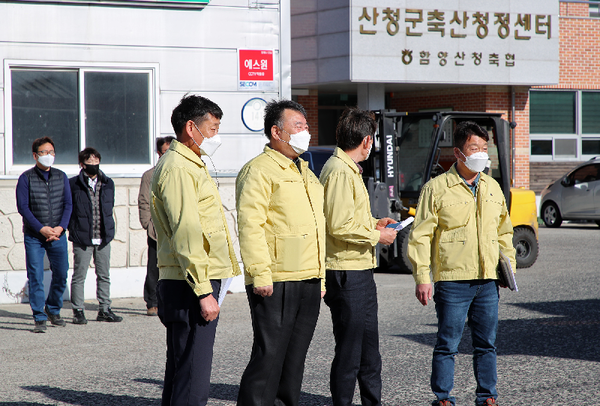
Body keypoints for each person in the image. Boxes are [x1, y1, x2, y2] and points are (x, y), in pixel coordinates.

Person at [407, 121, 517, 406]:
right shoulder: (437, 188)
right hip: (453, 282)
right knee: (447, 344)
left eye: (484, 147)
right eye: (473, 148)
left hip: (488, 281)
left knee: (487, 345)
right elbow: (420, 236)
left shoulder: (492, 187)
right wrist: (422, 276)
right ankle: (443, 398)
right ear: (458, 152)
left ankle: (487, 397)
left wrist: (509, 268)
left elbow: (505, 232)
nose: (480, 153)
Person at [150, 94, 240, 406]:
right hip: (189, 285)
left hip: (190, 281)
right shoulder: (178, 167)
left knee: (183, 372)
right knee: (193, 378)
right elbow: (187, 234)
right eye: (212, 129)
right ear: (192, 127)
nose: (216, 137)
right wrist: (204, 291)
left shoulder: (189, 164)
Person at [236, 99, 326, 406]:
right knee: (269, 356)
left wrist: (321, 277)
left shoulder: (306, 170)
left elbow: (317, 226)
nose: (306, 132)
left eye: (306, 126)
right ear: (277, 131)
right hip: (276, 279)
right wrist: (260, 273)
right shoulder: (259, 170)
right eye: (297, 126)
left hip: (309, 278)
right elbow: (250, 225)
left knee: (294, 359)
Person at [319, 107, 398, 406]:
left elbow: (348, 219)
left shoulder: (347, 169)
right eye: (374, 139)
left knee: (369, 352)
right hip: (346, 271)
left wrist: (375, 223)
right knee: (350, 352)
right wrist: (378, 236)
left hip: (359, 270)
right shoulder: (339, 171)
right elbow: (338, 225)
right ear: (367, 141)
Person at [16, 137, 72, 333]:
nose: (49, 156)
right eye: (44, 152)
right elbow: (23, 207)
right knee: (36, 275)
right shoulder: (26, 178)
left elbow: (68, 204)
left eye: (51, 152)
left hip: (57, 234)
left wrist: (60, 228)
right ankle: (39, 316)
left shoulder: (61, 176)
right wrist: (41, 229)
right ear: (35, 155)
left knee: (61, 273)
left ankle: (53, 309)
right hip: (35, 236)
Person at [68, 147, 122, 324]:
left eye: (96, 161)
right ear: (82, 164)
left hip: (103, 236)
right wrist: (73, 230)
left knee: (104, 275)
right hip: (82, 238)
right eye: (90, 162)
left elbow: (108, 208)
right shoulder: (72, 184)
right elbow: (68, 209)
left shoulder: (108, 183)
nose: (94, 165)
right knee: (79, 275)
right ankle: (78, 311)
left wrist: (110, 230)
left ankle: (104, 309)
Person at [138, 136, 175, 317]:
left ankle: (172, 300)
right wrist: (147, 223)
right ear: (159, 153)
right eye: (164, 152)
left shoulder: (180, 173)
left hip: (177, 230)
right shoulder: (149, 176)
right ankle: (152, 302)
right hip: (156, 231)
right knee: (154, 268)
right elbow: (144, 202)